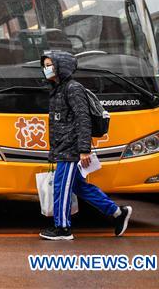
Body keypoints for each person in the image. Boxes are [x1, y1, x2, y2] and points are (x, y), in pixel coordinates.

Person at [39, 50, 131, 241]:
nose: (45, 69)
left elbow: (83, 119)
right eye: (45, 65)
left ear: (60, 67)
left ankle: (62, 228)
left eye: (49, 65)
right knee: (79, 187)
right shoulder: (58, 89)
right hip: (64, 147)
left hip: (71, 149)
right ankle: (117, 212)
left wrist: (83, 150)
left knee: (61, 186)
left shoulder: (73, 88)